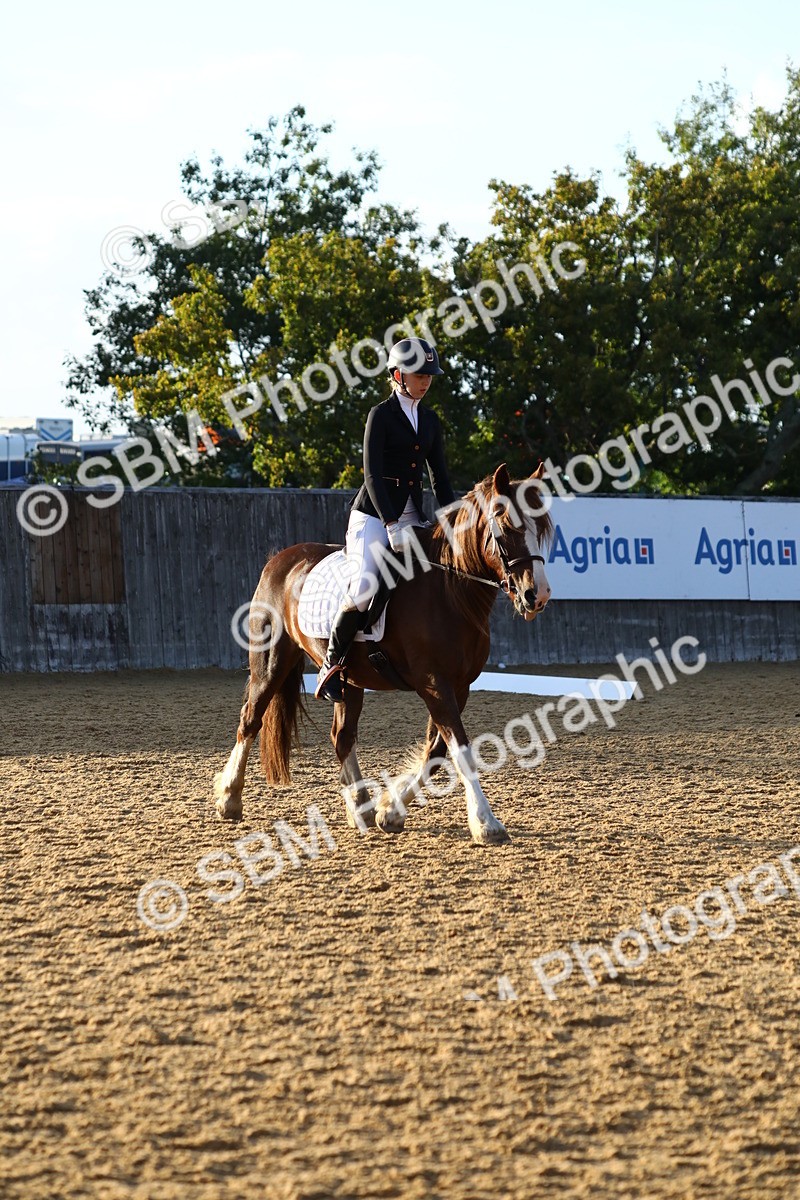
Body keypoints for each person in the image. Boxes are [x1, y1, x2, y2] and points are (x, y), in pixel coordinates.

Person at [315, 337, 456, 701]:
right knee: (363, 586)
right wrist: (391, 524)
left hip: (413, 514)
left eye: (430, 375)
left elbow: (440, 478)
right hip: (373, 516)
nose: (426, 381)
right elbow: (372, 475)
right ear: (398, 375)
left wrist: (453, 520)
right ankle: (332, 662)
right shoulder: (380, 415)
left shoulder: (430, 420)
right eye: (419, 374)